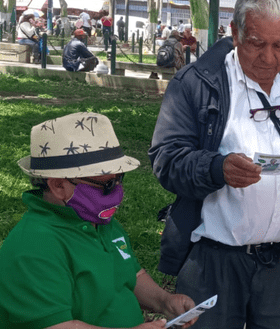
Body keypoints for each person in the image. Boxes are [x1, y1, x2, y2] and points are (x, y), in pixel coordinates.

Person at [149, 0, 280, 329]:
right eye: (256, 44)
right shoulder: (198, 82)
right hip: (213, 260)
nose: (269, 58)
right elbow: (165, 159)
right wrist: (216, 168)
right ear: (235, 33)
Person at [0, 112, 198, 328]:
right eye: (106, 185)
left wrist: (165, 301)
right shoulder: (33, 245)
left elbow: (131, 274)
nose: (118, 193)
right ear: (58, 186)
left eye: (120, 179)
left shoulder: (102, 223)